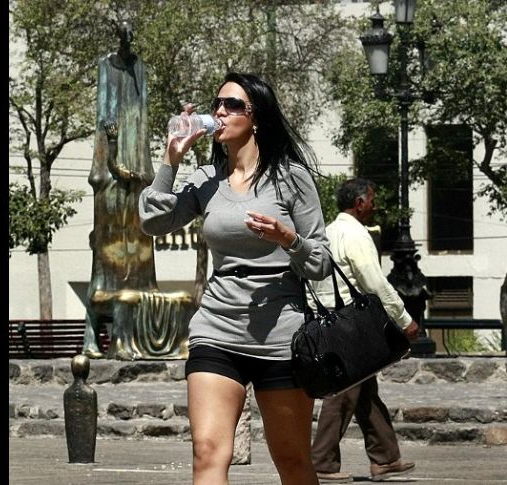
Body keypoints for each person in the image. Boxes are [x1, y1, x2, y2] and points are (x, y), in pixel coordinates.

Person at [139, 72, 332, 485]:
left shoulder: (291, 178)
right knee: (208, 453)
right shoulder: (204, 180)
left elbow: (321, 262)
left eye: (233, 105)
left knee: (293, 460)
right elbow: (153, 222)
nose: (221, 112)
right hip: (217, 327)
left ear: (256, 116)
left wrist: (290, 239)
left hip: (281, 332)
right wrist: (171, 160)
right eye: (218, 104)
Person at [310, 178, 419, 483]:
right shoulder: (355, 235)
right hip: (352, 324)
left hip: (328, 321)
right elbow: (374, 282)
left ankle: (385, 458)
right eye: (371, 199)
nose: (375, 205)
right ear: (359, 203)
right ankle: (321, 461)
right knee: (343, 393)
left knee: (365, 391)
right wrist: (403, 318)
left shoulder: (327, 232)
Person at [84, 20, 158, 359]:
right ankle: (94, 338)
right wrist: (108, 163)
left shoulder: (139, 67)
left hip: (134, 173)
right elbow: (105, 115)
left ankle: (131, 337)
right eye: (124, 35)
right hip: (112, 177)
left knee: (134, 262)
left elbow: (138, 117)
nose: (129, 41)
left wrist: (141, 167)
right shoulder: (105, 67)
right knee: (105, 264)